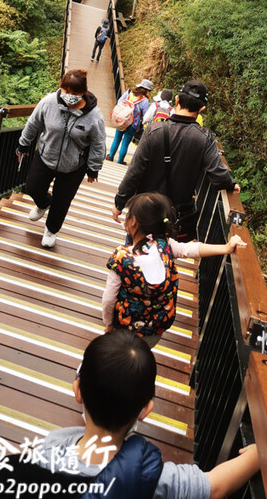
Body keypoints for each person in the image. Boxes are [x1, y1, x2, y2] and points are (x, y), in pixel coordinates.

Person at [0, 331, 260, 499]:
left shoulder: (51, 448)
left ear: (77, 391)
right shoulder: (148, 475)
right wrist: (261, 454)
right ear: (146, 410)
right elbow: (214, 487)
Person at [103, 193, 245, 348]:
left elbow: (109, 299)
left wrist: (109, 324)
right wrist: (225, 248)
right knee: (137, 358)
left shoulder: (121, 259)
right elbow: (189, 249)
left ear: (134, 222)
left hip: (125, 330)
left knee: (118, 359)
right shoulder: (165, 245)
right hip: (155, 330)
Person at [112, 80, 240, 240]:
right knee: (164, 257)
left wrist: (119, 203)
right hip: (174, 216)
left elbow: (134, 172)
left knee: (133, 255)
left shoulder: (153, 131)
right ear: (202, 109)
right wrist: (231, 183)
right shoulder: (204, 138)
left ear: (177, 100)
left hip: (144, 210)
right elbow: (217, 173)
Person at [17, 69, 106, 248]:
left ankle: (51, 230)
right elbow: (33, 123)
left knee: (62, 200)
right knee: (32, 187)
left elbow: (98, 143)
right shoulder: (49, 102)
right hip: (45, 155)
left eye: (75, 93)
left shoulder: (94, 116)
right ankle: (43, 203)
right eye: (66, 90)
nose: (69, 96)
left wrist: (93, 167)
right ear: (61, 87)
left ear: (84, 92)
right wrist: (23, 144)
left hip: (74, 165)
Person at [106, 79, 152, 166]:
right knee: (125, 143)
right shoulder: (144, 100)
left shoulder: (128, 93)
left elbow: (119, 102)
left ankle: (110, 156)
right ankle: (120, 160)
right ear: (147, 91)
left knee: (117, 138)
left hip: (122, 120)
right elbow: (145, 115)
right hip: (133, 124)